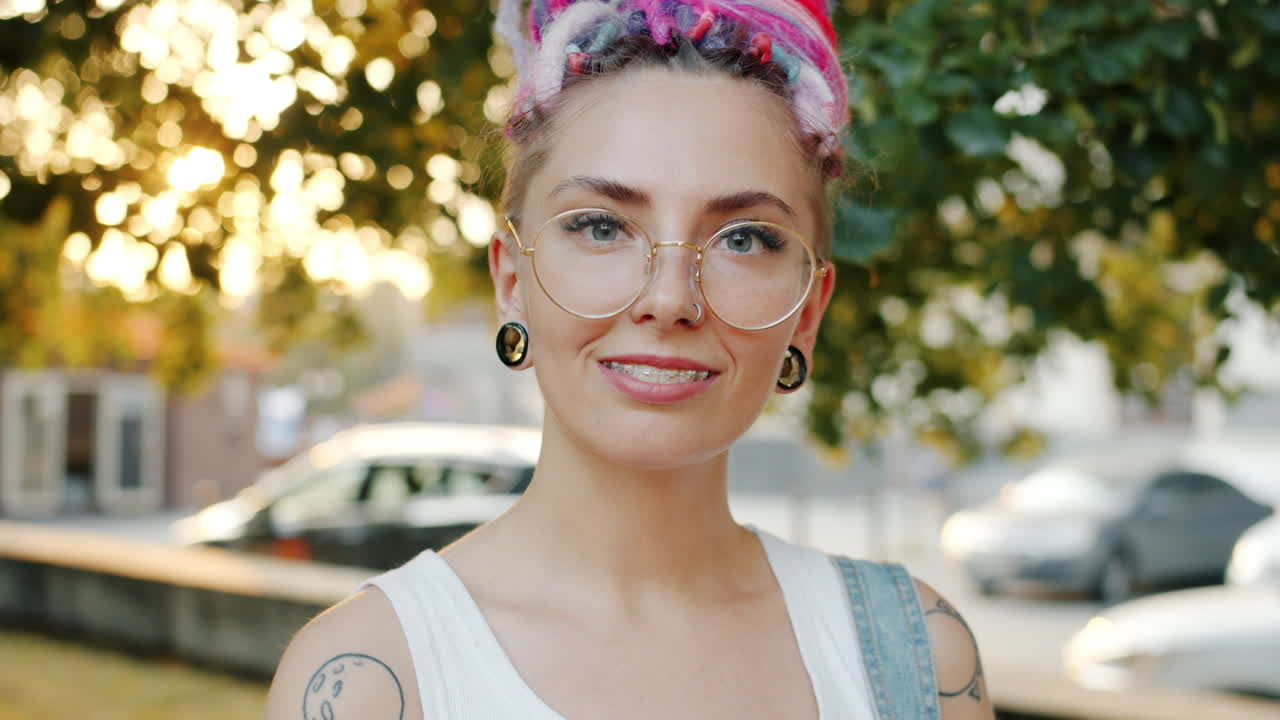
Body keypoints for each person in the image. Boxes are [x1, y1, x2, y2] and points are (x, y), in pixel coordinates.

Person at [266, 0, 993, 717]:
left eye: (743, 238)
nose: (670, 298)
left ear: (807, 310)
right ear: (511, 281)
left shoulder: (920, 661)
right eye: (602, 226)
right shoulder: (367, 678)